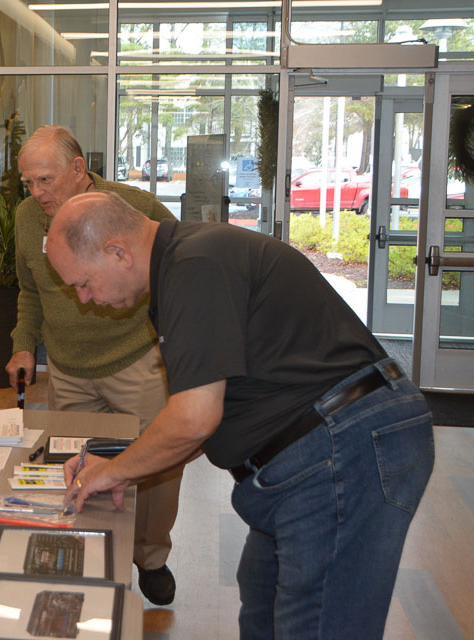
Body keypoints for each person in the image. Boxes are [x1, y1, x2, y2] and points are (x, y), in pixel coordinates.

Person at [46, 191, 435, 639]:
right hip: (309, 454)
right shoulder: (185, 265)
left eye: (83, 283)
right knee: (262, 611)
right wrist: (124, 464)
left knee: (313, 626)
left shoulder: (195, 267)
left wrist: (115, 471)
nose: (84, 299)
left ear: (118, 252)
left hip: (340, 448)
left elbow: (194, 419)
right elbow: (202, 420)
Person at [4, 125, 182, 605]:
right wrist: (24, 345)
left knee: (155, 466)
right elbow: (28, 291)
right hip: (68, 367)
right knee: (76, 465)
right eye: (28, 183)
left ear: (78, 169)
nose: (36, 192)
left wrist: (174, 339)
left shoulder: (132, 206)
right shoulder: (27, 218)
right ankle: (91, 551)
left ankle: (150, 556)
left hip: (135, 359)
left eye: (45, 180)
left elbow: (179, 260)